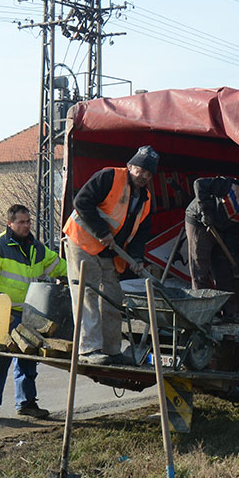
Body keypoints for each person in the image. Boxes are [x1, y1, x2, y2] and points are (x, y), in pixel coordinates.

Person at [63, 145, 159, 366]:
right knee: (87, 295)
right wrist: (101, 232)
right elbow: (82, 202)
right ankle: (88, 350)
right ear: (130, 166)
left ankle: (111, 349)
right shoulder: (109, 177)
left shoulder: (145, 200)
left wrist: (136, 258)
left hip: (108, 252)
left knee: (113, 298)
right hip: (82, 242)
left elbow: (140, 233)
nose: (143, 176)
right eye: (140, 170)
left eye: (148, 173)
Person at [0, 204, 67, 422]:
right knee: (0, 359)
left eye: (28, 222)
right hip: (4, 313)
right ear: (10, 223)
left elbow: (59, 266)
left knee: (27, 359)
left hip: (29, 315)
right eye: (21, 222)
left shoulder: (37, 248)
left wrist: (81, 269)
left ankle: (26, 404)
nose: (26, 226)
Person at [184, 170, 239, 320]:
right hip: (199, 222)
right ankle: (205, 313)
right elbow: (199, 184)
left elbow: (233, 233)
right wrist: (206, 211)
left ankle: (230, 312)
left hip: (221, 229)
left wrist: (233, 257)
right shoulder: (229, 186)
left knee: (224, 270)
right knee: (200, 266)